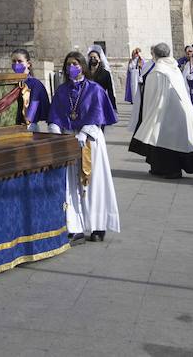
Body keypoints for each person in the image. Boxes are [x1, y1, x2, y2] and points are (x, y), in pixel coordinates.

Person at [49, 51, 119, 242]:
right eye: (69, 64)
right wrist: (55, 129)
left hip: (90, 140)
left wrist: (84, 132)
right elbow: (55, 113)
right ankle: (75, 225)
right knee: (72, 184)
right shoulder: (62, 90)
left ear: (83, 66)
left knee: (94, 182)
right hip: (69, 140)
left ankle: (98, 226)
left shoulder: (94, 89)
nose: (72, 67)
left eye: (76, 64)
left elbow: (97, 113)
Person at [128, 43, 193, 179]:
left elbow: (150, 96)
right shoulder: (174, 68)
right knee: (175, 141)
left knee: (163, 142)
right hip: (178, 111)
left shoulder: (157, 71)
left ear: (155, 55)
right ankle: (165, 168)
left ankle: (169, 170)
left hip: (162, 113)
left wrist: (147, 114)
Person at [11, 49, 50, 130]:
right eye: (14, 61)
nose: (16, 64)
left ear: (28, 64)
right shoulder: (11, 83)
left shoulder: (35, 84)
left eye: (19, 61)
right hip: (13, 126)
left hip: (29, 126)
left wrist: (27, 121)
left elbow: (34, 104)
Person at [86, 46, 117, 111]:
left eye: (95, 57)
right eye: (91, 57)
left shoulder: (105, 74)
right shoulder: (85, 73)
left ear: (99, 59)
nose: (92, 59)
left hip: (101, 102)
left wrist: (113, 107)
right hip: (87, 103)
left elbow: (110, 91)